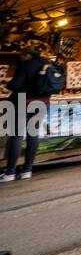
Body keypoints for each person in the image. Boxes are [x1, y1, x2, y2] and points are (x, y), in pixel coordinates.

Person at [2, 43, 55, 182]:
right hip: (42, 102)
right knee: (33, 135)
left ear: (28, 55)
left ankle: (10, 172)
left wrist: (6, 84)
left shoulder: (26, 65)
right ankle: (27, 170)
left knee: (16, 136)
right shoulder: (48, 64)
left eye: (22, 56)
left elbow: (14, 85)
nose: (21, 58)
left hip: (22, 101)